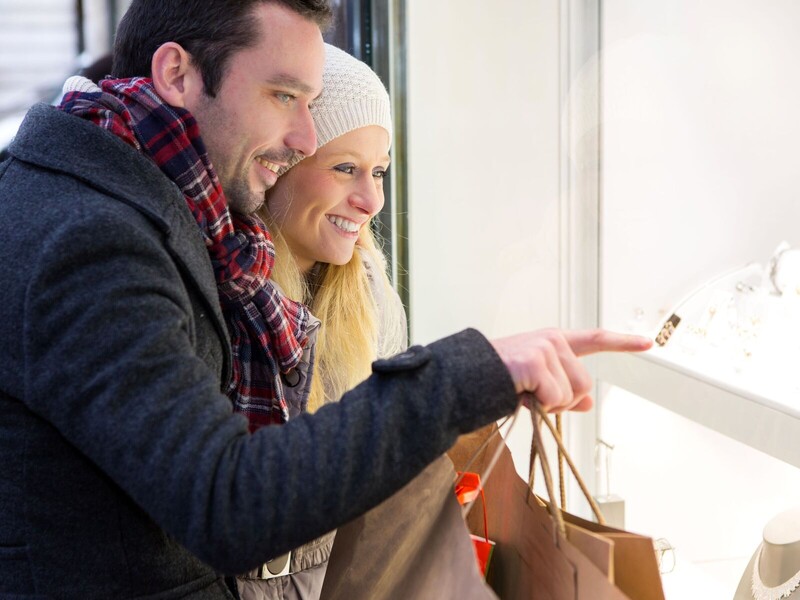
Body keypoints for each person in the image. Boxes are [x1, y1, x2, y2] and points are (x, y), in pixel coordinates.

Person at [0, 1, 651, 598]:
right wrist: (468, 374)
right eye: (283, 95)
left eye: (309, 102)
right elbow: (226, 504)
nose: (306, 136)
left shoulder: (145, 207)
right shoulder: (92, 237)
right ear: (177, 73)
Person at [236, 43, 407, 599]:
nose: (371, 200)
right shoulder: (224, 297)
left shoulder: (372, 296)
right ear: (279, 166)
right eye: (344, 169)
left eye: (379, 172)